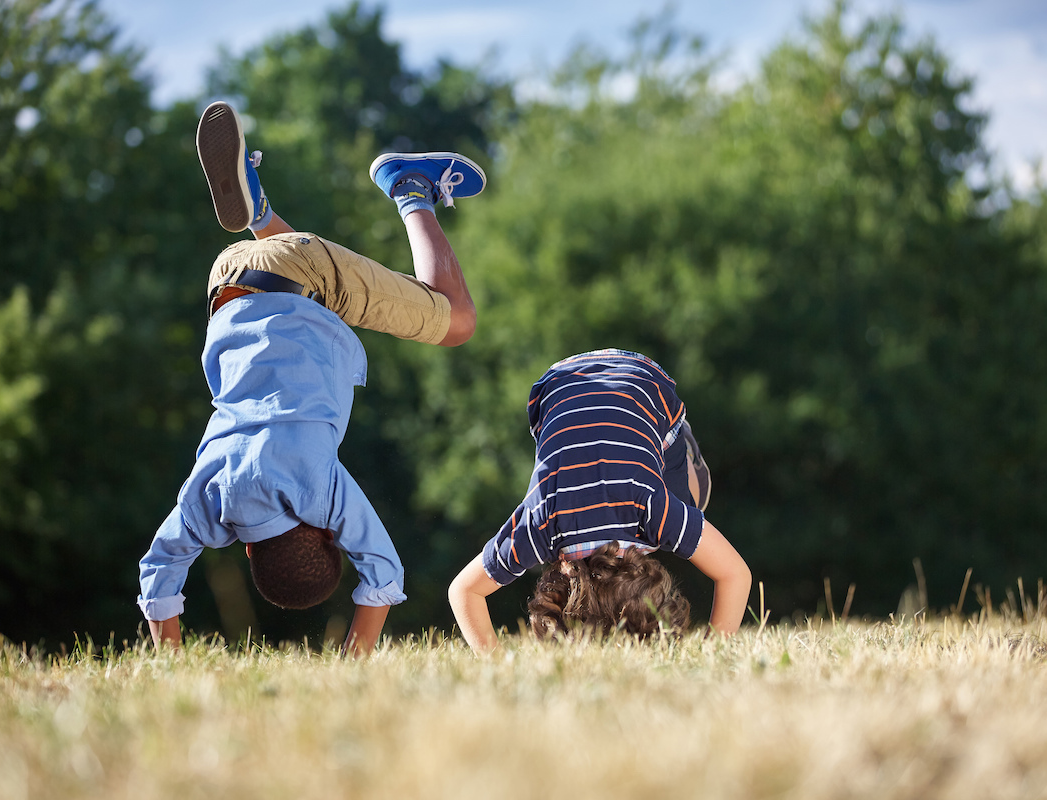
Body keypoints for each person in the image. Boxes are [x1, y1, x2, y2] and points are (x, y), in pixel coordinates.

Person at [137, 101, 486, 656]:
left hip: (300, 273)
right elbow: (157, 574)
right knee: (302, 293)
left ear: (326, 533)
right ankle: (257, 209)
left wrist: (357, 650)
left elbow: (384, 571)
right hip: (228, 287)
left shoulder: (322, 494)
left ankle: (410, 185)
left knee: (455, 321)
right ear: (249, 551)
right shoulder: (212, 501)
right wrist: (169, 661)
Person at [448, 349, 751, 654]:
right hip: (556, 386)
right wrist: (495, 662)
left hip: (644, 382)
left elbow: (735, 575)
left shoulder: (651, 511)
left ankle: (678, 449)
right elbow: (464, 591)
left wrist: (717, 651)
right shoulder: (543, 525)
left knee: (686, 508)